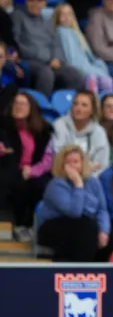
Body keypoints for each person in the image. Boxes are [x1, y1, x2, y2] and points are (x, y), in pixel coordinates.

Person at [37, 145, 110, 262]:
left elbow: (102, 210)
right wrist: (78, 184)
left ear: (82, 163)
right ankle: (83, 270)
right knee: (86, 227)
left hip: (84, 225)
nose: (72, 165)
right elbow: (74, 212)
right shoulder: (56, 185)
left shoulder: (93, 182)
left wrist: (104, 231)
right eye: (68, 162)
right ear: (61, 165)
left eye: (76, 161)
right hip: (53, 226)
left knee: (112, 235)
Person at [12, 0, 86, 96]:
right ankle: (42, 107)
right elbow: (15, 39)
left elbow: (56, 44)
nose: (35, 4)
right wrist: (36, 55)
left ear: (44, 3)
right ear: (26, 1)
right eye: (32, 0)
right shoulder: (18, 16)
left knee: (75, 75)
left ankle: (67, 106)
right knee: (46, 73)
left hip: (49, 63)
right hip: (29, 61)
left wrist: (57, 59)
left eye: (39, 0)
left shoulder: (47, 22)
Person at [0, 92, 54, 241]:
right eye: (16, 103)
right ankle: (13, 225)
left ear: (31, 108)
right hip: (8, 167)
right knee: (12, 180)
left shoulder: (43, 129)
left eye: (23, 103)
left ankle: (28, 226)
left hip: (34, 170)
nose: (18, 106)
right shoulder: (3, 124)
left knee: (39, 185)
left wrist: (32, 171)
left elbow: (48, 159)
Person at [54, 5, 113, 95]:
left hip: (87, 65)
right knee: (92, 79)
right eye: (63, 14)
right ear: (57, 18)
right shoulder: (60, 31)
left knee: (107, 81)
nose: (67, 18)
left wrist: (100, 65)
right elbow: (71, 58)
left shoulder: (78, 34)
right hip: (77, 67)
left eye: (69, 14)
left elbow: (89, 55)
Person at [51, 90, 110, 175]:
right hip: (63, 176)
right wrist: (86, 168)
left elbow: (101, 165)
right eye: (75, 104)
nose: (78, 108)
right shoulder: (59, 125)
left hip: (91, 179)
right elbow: (57, 157)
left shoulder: (99, 132)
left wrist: (84, 175)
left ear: (92, 110)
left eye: (84, 105)